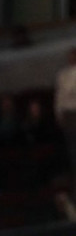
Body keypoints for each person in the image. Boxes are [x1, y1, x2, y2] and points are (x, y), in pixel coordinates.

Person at [55, 47, 76, 175]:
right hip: (68, 113)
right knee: (72, 146)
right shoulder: (62, 74)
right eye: (70, 56)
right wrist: (58, 113)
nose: (71, 58)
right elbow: (59, 96)